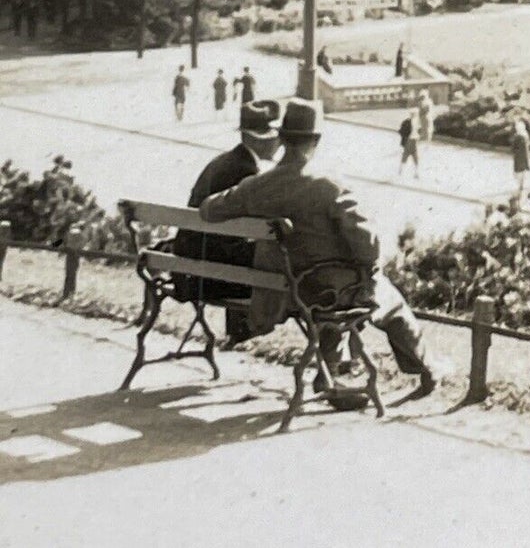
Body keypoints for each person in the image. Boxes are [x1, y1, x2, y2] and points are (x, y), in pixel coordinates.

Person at [199, 99, 437, 398]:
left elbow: (208, 210)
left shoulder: (257, 185)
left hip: (281, 295)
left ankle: (328, 374)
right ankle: (427, 370)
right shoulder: (330, 185)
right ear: (317, 140)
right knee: (386, 297)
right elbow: (369, 247)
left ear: (282, 138)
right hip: (328, 295)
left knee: (332, 284)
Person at [175, 98, 283, 343]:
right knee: (276, 259)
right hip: (215, 275)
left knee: (247, 247)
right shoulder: (247, 173)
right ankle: (247, 328)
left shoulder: (224, 161)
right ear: (260, 138)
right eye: (276, 136)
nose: (280, 142)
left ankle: (239, 331)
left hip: (193, 265)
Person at [511, 119, 530, 199]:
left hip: (518, 157)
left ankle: (520, 185)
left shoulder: (517, 137)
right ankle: (522, 185)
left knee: (518, 172)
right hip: (526, 156)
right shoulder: (526, 134)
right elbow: (529, 144)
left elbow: (513, 148)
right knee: (524, 171)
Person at [399, 109, 420, 178]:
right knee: (413, 155)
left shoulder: (409, 121)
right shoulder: (411, 122)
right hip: (411, 140)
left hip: (412, 140)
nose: (415, 115)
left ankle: (401, 170)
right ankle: (415, 172)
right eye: (414, 114)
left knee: (407, 155)